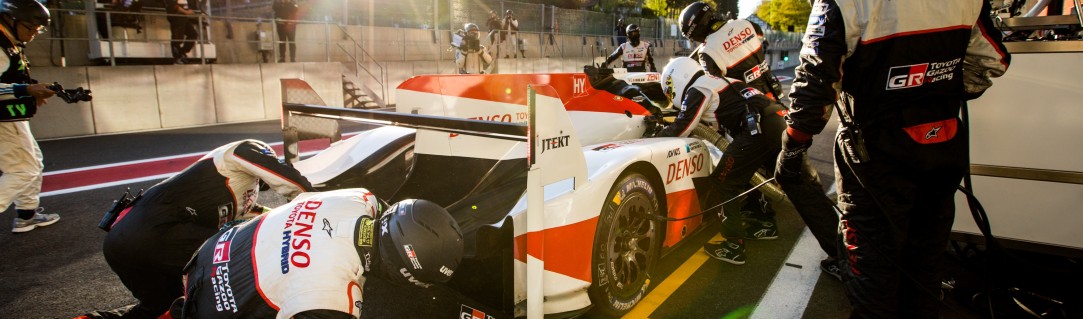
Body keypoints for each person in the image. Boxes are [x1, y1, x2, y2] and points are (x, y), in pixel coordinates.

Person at [778, 0, 1009, 317]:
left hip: (875, 151)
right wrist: (933, 93)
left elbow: (815, 85)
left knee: (872, 272)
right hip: (942, 140)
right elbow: (992, 61)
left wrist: (792, 147)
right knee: (926, 263)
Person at [80, 140, 315, 319]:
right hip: (156, 232)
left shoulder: (243, 200)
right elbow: (292, 183)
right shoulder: (238, 152)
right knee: (231, 276)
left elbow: (268, 219)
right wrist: (317, 201)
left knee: (160, 309)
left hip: (119, 243)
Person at [656, 57, 840, 274]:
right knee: (801, 190)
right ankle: (839, 252)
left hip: (757, 130)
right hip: (777, 122)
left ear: (675, 81)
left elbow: (681, 128)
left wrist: (652, 137)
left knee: (723, 181)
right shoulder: (720, 80)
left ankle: (734, 245)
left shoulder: (698, 88)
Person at [679, 1, 820, 266]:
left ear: (695, 30)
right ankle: (768, 221)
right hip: (775, 103)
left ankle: (736, 243)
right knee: (787, 173)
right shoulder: (746, 25)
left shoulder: (707, 52)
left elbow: (718, 83)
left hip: (751, 115)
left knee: (735, 173)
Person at [175, 189, 464, 318]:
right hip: (210, 307)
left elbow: (300, 201)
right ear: (407, 272)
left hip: (212, 250)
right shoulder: (335, 298)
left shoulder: (359, 197)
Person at [0, 0, 57, 234]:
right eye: (30, 28)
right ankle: (26, 215)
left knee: (33, 162)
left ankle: (27, 215)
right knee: (22, 170)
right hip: (3, 121)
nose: (34, 35)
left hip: (12, 117)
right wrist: (26, 91)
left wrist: (32, 90)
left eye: (38, 31)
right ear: (11, 20)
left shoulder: (11, 44)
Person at [678, 1, 783, 100]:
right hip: (774, 90)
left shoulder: (706, 51)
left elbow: (714, 86)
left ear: (696, 31)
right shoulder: (744, 23)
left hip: (750, 105)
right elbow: (760, 36)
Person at [165, 0, 199, 64]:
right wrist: (186, 12)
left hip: (184, 18)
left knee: (193, 34)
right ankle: (177, 58)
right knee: (177, 38)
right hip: (176, 17)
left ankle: (182, 53)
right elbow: (173, 6)